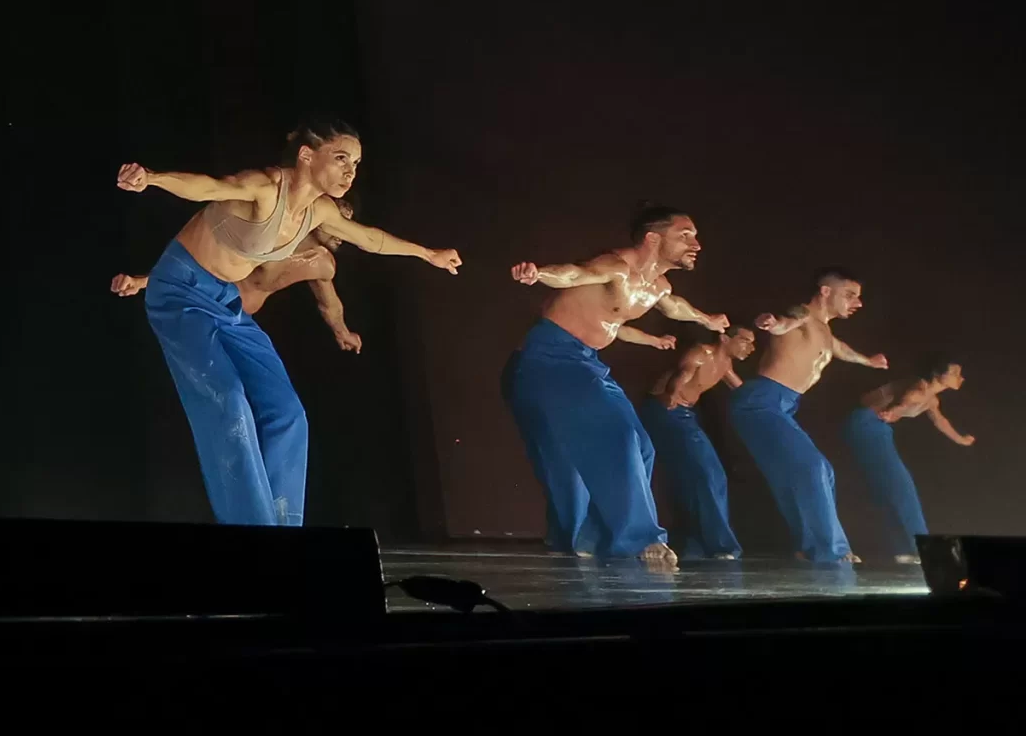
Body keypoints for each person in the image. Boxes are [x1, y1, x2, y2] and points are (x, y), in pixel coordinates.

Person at [113, 119, 460, 527]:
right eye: (341, 159)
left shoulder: (320, 213)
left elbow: (371, 239)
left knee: (288, 412)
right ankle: (252, 527)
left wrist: (427, 254)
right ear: (307, 156)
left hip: (227, 303)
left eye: (357, 163)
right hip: (180, 292)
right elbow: (208, 186)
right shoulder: (264, 187)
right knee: (228, 399)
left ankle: (283, 527)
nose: (350, 171)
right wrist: (152, 178)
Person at [505, 206, 729, 567]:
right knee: (619, 436)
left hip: (585, 361)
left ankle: (594, 535)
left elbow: (674, 308)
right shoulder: (617, 266)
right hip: (549, 356)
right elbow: (575, 274)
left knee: (641, 446)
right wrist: (538, 273)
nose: (696, 243)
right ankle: (639, 538)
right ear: (653, 238)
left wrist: (707, 319)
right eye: (685, 234)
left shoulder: (659, 286)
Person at [729, 271, 888, 564]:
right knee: (812, 468)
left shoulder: (825, 331)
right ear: (825, 291)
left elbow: (840, 350)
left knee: (820, 471)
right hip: (761, 401)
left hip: (782, 406)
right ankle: (832, 552)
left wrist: (868, 361)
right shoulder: (802, 313)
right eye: (850, 294)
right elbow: (789, 321)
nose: (858, 303)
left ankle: (808, 548)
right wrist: (776, 324)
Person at [112, 202, 364, 354]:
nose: (344, 231)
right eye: (340, 220)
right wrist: (142, 282)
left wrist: (343, 332)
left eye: (348, 225)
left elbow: (328, 303)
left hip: (238, 317)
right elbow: (200, 260)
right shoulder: (273, 233)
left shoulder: (322, 264)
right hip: (207, 294)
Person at [635, 326, 757, 562]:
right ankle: (722, 545)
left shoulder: (724, 365)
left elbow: (742, 390)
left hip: (683, 415)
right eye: (744, 341)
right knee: (710, 473)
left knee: (693, 477)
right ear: (724, 338)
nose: (750, 348)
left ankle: (695, 543)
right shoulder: (702, 352)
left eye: (752, 343)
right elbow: (684, 373)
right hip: (665, 411)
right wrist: (672, 392)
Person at [841, 361, 971, 564]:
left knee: (887, 490)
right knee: (902, 486)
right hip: (867, 423)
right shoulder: (918, 387)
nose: (960, 378)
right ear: (938, 373)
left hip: (872, 426)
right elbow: (907, 399)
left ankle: (904, 551)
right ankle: (922, 548)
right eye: (955, 373)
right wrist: (895, 411)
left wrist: (961, 439)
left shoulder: (931, 400)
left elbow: (940, 421)